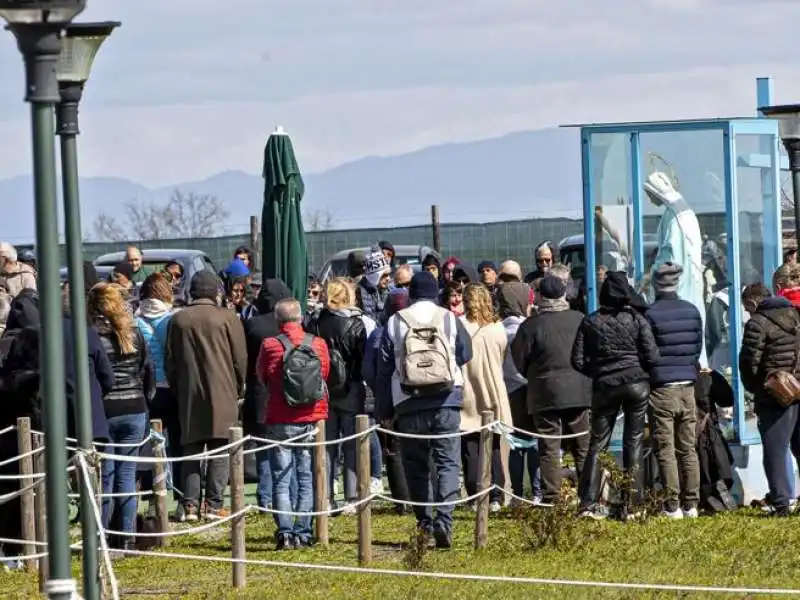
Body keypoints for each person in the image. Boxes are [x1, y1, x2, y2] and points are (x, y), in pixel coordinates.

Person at [376, 271, 472, 548]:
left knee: (416, 465)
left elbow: (384, 371)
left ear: (410, 294)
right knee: (448, 462)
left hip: (407, 402)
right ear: (435, 291)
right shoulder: (449, 318)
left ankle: (424, 523)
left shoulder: (395, 321)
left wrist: (385, 411)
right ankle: (445, 520)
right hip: (446, 398)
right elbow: (466, 354)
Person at [572, 271, 660, 520]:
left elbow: (577, 360)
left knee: (598, 443)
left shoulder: (590, 321)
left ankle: (588, 502)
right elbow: (653, 356)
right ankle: (633, 504)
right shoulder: (637, 320)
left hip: (605, 385)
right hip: (636, 384)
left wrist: (599, 371)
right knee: (634, 441)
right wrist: (636, 368)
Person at [166, 271, 247, 522]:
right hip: (223, 389)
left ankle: (189, 505)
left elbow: (171, 361)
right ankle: (213, 504)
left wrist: (178, 388)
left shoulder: (178, 320)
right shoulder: (227, 318)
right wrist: (239, 386)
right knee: (220, 448)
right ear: (215, 291)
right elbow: (240, 358)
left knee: (190, 449)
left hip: (189, 391)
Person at [257, 298, 330, 549]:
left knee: (281, 478)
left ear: (278, 321)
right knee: (306, 475)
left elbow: (262, 375)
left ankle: (285, 532)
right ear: (300, 318)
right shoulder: (318, 344)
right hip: (312, 417)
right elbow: (325, 374)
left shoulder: (270, 345)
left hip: (280, 417)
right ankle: (304, 531)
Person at [512, 275, 591, 506]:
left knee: (549, 447)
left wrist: (535, 377)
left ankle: (552, 498)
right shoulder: (580, 319)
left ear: (539, 296)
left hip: (544, 392)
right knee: (582, 445)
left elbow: (518, 360)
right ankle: (588, 496)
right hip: (578, 390)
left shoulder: (531, 325)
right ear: (564, 294)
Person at [89, 283, 155, 548]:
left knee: (105, 476)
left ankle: (102, 536)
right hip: (135, 406)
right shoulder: (135, 333)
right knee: (127, 475)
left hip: (105, 409)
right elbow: (146, 369)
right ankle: (126, 537)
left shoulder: (92, 335)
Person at [740, 265, 800, 517]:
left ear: (754, 303)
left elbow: (749, 362)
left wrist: (757, 388)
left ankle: (782, 503)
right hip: (798, 387)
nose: (746, 311)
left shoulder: (758, 323)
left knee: (775, 450)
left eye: (746, 306)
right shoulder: (794, 315)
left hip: (775, 393)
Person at [644, 263, 703, 519]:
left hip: (661, 387)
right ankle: (692, 504)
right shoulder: (692, 311)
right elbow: (697, 347)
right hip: (687, 386)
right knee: (688, 447)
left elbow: (647, 351)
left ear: (656, 284)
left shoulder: (650, 313)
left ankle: (672, 504)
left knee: (665, 447)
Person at [310, 278, 373, 512]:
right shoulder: (356, 323)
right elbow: (363, 359)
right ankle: (352, 497)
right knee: (352, 444)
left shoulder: (316, 322)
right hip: (351, 387)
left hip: (323, 388)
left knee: (326, 445)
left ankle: (325, 496)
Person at [459, 283, 509, 512]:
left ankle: (475, 495)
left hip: (468, 389)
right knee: (494, 445)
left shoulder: (460, 325)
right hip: (493, 388)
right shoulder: (498, 328)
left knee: (470, 446)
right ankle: (496, 494)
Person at [244, 279, 293, 510]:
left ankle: (265, 498)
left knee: (263, 449)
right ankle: (288, 497)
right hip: (288, 392)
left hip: (259, 391)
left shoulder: (252, 325)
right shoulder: (291, 325)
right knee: (287, 448)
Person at [363, 289, 411, 513]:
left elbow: (368, 370)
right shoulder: (416, 329)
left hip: (387, 399)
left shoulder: (378, 334)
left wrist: (379, 389)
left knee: (393, 449)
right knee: (422, 446)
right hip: (415, 396)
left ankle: (402, 500)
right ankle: (425, 496)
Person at [136, 273, 179, 502]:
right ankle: (176, 488)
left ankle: (149, 490)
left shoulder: (134, 321)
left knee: (147, 441)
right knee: (176, 440)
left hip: (146, 389)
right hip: (171, 387)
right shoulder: (173, 320)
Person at [498, 281, 541, 506]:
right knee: (534, 441)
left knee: (515, 444)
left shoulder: (497, 329)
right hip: (530, 388)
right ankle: (536, 492)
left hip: (509, 391)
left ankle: (516, 493)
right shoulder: (529, 326)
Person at [357, 246, 391, 321]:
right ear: (374, 276)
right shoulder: (360, 293)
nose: (388, 279)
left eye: (388, 274)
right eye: (384, 275)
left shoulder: (383, 288)